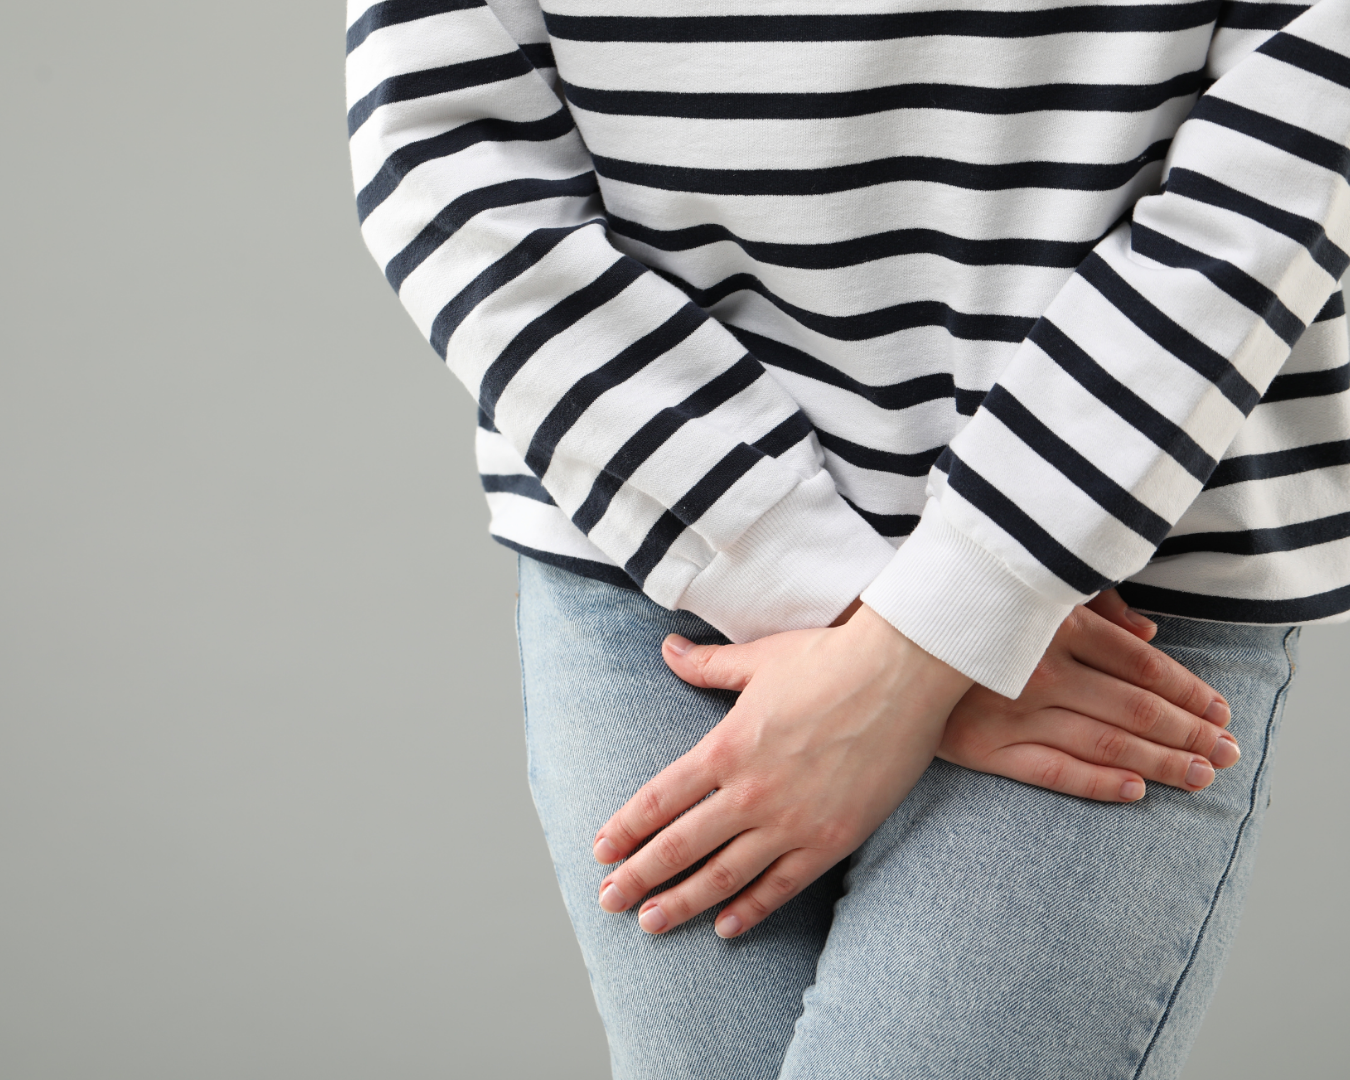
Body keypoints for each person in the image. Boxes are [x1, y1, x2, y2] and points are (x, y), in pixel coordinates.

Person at [345, 1, 1348, 1076]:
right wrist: (834, 598)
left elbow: (1291, 141)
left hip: (1108, 564)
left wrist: (931, 634)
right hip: (659, 533)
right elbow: (440, 141)